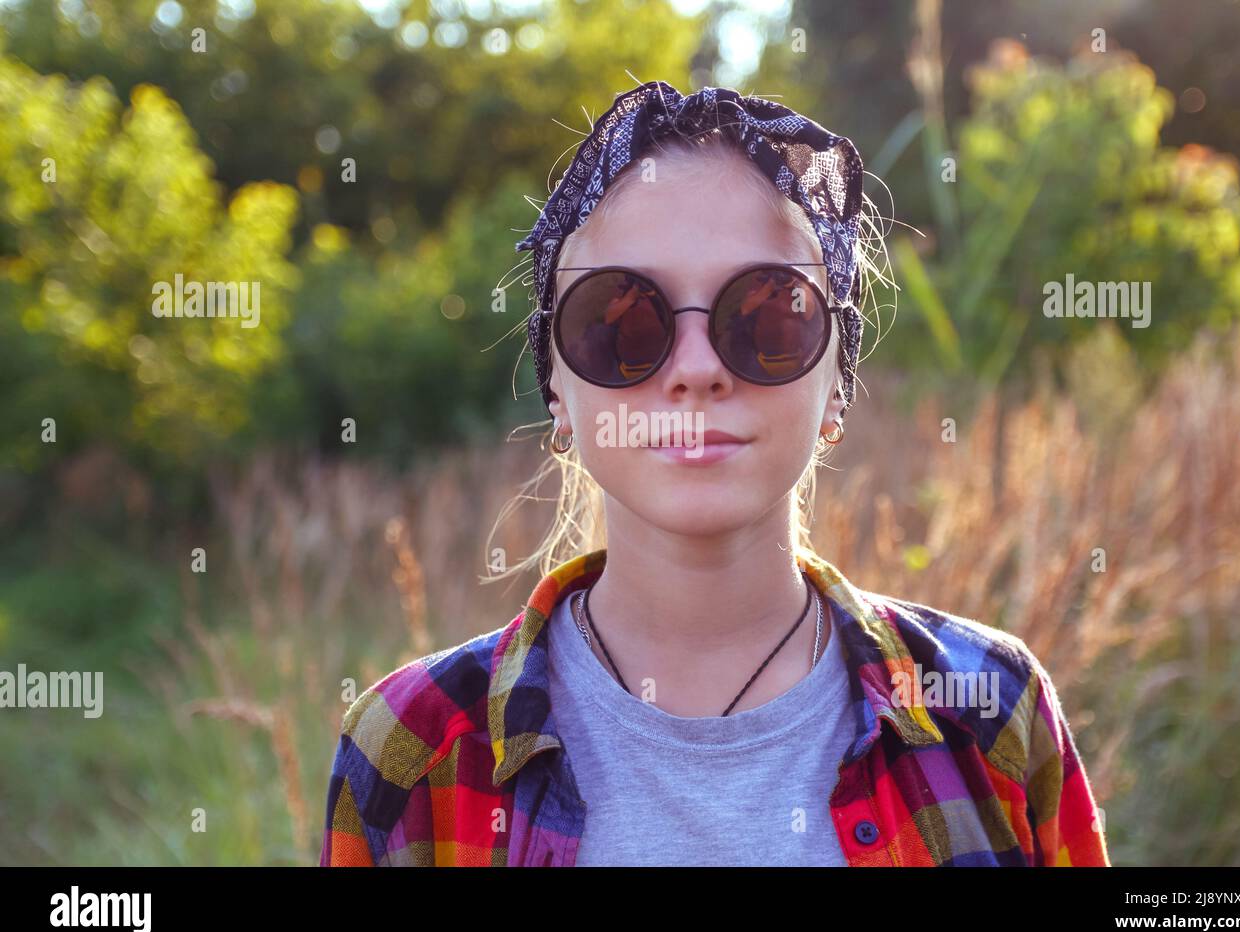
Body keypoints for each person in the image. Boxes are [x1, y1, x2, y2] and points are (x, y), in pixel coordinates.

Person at [320, 80, 1110, 867]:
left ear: (838, 381)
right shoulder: (410, 750)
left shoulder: (991, 710)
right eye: (619, 319)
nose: (695, 371)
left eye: (769, 314)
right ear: (557, 387)